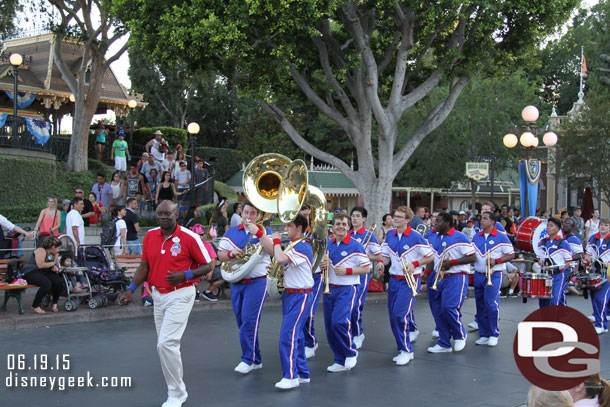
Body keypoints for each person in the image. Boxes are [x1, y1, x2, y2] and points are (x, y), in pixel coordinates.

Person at [120, 200, 213, 407]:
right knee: (163, 346)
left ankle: (177, 395)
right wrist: (130, 290)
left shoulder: (189, 237)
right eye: (159, 214)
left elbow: (208, 264)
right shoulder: (151, 236)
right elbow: (144, 266)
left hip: (181, 294)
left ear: (176, 215)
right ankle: (175, 390)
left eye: (167, 214)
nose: (162, 218)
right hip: (158, 295)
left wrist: (185, 274)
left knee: (167, 343)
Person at [217, 202, 274, 374]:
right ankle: (256, 359)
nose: (249, 216)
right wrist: (229, 254)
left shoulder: (265, 231)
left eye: (253, 213)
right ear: (241, 213)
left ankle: (247, 359)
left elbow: (272, 251)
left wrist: (258, 233)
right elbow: (220, 255)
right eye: (246, 212)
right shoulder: (232, 232)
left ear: (258, 216)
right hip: (236, 282)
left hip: (257, 282)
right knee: (242, 322)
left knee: (249, 322)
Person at [376, 206, 433, 365]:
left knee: (400, 315)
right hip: (394, 279)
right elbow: (386, 256)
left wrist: (415, 264)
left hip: (410, 279)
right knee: (393, 315)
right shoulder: (390, 235)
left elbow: (429, 256)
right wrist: (381, 263)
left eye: (400, 217)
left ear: (407, 220)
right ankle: (402, 347)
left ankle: (406, 350)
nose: (395, 219)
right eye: (395, 216)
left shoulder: (416, 237)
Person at [262, 214, 314, 390]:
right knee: (296, 336)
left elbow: (281, 259)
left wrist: (276, 241)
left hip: (300, 295)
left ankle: (290, 376)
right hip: (292, 295)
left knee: (288, 335)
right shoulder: (295, 245)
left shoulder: (304, 246)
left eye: (289, 226)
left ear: (299, 228)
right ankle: (302, 373)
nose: (285, 229)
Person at [320, 213, 371, 372]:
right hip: (330, 289)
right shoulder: (329, 244)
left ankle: (350, 351)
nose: (340, 226)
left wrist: (348, 270)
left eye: (343, 224)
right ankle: (339, 359)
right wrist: (323, 266)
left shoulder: (356, 245)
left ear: (348, 227)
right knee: (329, 326)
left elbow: (367, 268)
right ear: (333, 227)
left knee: (339, 322)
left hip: (347, 289)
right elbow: (321, 267)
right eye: (338, 224)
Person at [425, 212, 476, 353]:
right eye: (435, 221)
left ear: (447, 223)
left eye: (439, 221)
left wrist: (453, 262)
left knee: (449, 307)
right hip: (436, 276)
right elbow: (431, 259)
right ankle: (444, 342)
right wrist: (426, 274)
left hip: (456, 276)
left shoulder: (460, 237)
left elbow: (473, 258)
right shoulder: (432, 237)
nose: (435, 223)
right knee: (437, 310)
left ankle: (460, 335)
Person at [471, 212, 515, 347]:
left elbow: (511, 254)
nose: (481, 221)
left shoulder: (501, 236)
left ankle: (494, 333)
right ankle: (484, 333)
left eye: (485, 219)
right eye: (481, 219)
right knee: (480, 304)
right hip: (478, 273)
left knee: (491, 303)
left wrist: (497, 260)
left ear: (492, 222)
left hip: (494, 273)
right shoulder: (476, 236)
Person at [349, 206, 382, 349]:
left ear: (363, 219)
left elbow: (378, 255)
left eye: (357, 216)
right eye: (352, 216)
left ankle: (358, 333)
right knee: (348, 306)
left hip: (362, 274)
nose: (354, 218)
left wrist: (362, 255)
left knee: (357, 305)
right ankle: (349, 332)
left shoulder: (369, 235)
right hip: (348, 274)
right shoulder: (347, 234)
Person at [298, 205, 323, 359]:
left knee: (309, 312)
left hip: (316, 275)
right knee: (301, 312)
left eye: (307, 215)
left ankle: (310, 343)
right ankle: (304, 341)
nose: (305, 218)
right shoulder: (296, 233)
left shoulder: (318, 233)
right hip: (300, 277)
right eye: (302, 215)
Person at [537, 217, 573, 308]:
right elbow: (540, 258)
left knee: (554, 300)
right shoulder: (543, 242)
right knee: (543, 300)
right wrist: (540, 261)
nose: (548, 228)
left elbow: (569, 261)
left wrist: (568, 265)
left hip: (557, 275)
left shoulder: (563, 243)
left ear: (557, 229)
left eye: (551, 226)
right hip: (544, 275)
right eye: (548, 226)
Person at [22, 236, 63, 314]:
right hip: (31, 272)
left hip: (43, 272)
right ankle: (35, 305)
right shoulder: (41, 250)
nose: (59, 250)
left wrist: (54, 266)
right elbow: (40, 265)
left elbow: (50, 264)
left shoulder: (54, 253)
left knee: (58, 281)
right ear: (53, 247)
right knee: (46, 283)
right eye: (58, 248)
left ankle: (54, 302)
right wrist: (53, 263)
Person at [584, 219, 610, 334]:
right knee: (595, 299)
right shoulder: (593, 238)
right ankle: (602, 323)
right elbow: (588, 254)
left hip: (607, 273)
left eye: (606, 225)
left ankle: (601, 324)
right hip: (595, 272)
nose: (603, 227)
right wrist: (586, 261)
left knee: (600, 299)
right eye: (601, 225)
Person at [560, 218, 585, 306]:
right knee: (558, 292)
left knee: (559, 292)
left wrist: (568, 259)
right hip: (559, 269)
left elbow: (581, 254)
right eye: (565, 223)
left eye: (569, 224)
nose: (566, 225)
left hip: (567, 270)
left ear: (573, 227)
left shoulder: (574, 239)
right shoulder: (561, 238)